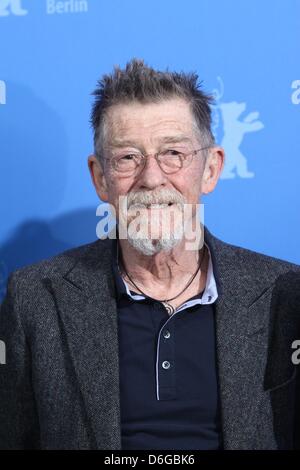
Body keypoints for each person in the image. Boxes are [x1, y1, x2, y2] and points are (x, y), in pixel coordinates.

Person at [0, 59, 299, 450]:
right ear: (100, 178)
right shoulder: (35, 297)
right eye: (127, 157)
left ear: (211, 169)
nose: (152, 178)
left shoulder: (286, 295)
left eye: (173, 153)